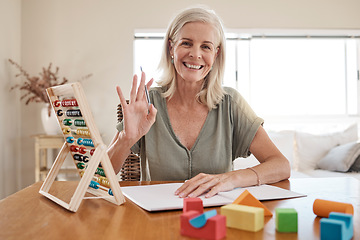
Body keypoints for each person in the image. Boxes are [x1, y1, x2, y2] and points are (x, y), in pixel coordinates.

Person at [107, 6, 290, 198]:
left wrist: (230, 179)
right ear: (171, 48)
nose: (195, 54)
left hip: (217, 219)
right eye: (186, 43)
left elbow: (281, 165)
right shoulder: (148, 103)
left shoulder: (231, 103)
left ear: (216, 54)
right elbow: (99, 177)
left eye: (206, 46)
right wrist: (125, 139)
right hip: (157, 220)